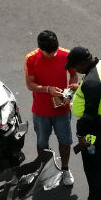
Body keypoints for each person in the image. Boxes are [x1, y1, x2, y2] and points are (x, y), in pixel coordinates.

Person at [64, 46, 101, 200]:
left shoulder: (92, 83)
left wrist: (81, 135)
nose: (75, 70)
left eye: (75, 66)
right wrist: (80, 87)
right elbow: (97, 87)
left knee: (93, 164)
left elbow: (89, 116)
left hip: (95, 130)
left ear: (82, 63)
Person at [24, 30, 79, 186]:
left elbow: (74, 75)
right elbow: (30, 84)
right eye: (48, 53)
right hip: (41, 111)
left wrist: (69, 91)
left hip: (62, 108)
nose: (52, 55)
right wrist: (47, 89)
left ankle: (65, 169)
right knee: (42, 142)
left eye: (54, 51)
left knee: (65, 141)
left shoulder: (66, 55)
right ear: (40, 48)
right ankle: (44, 169)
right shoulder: (31, 59)